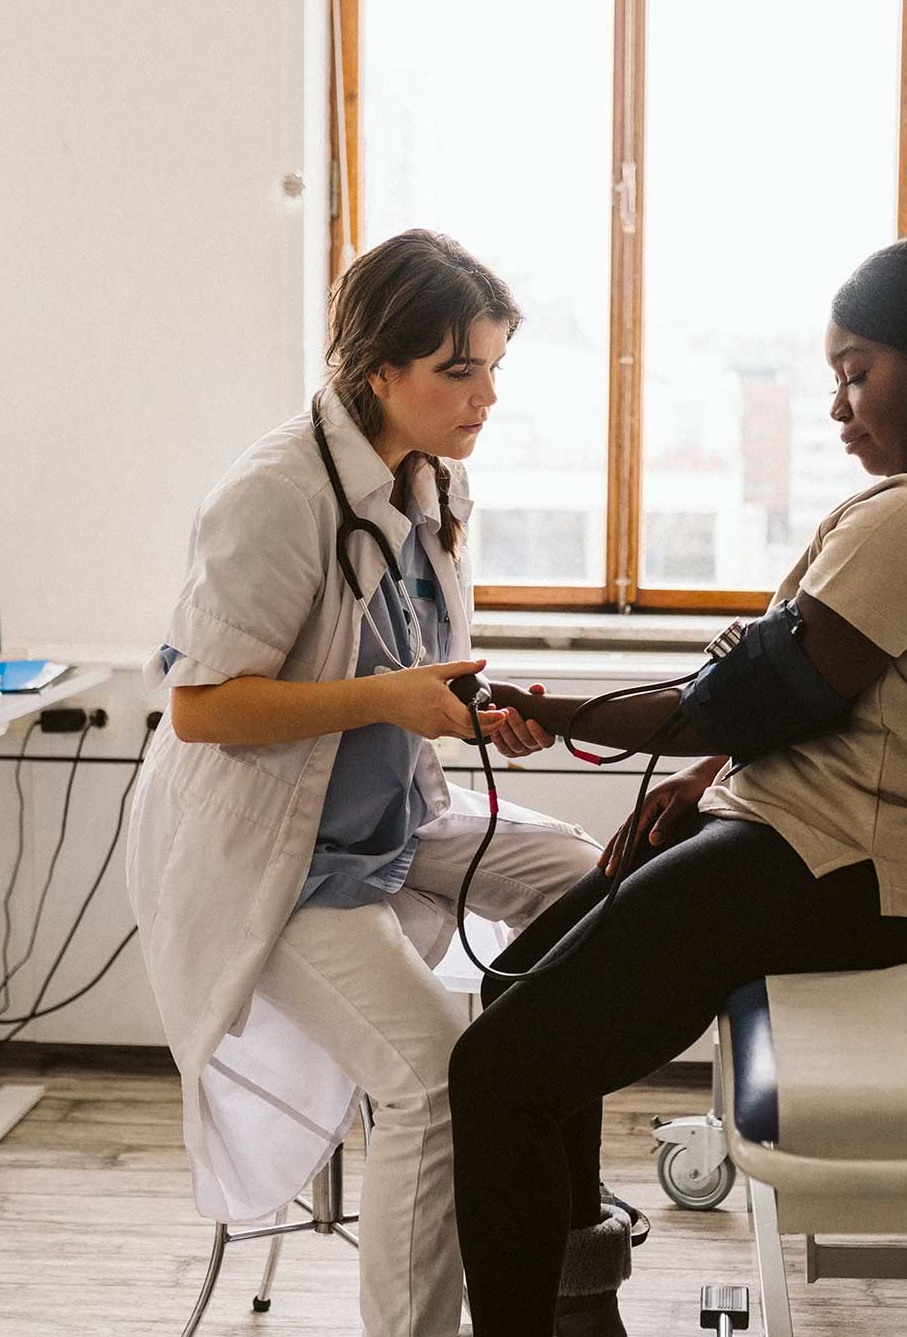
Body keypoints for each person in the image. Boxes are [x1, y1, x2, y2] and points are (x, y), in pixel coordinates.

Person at [448, 235, 907, 1336]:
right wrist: (708, 776)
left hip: (848, 865)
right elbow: (814, 703)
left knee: (499, 1073)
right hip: (847, 849)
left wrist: (553, 713)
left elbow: (753, 697)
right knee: (516, 1008)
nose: (839, 404)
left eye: (855, 370)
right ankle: (578, 1311)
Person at [124, 229, 610, 1337]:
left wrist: (464, 708)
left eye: (494, 368)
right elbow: (202, 710)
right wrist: (392, 700)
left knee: (587, 878)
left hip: (391, 811)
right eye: (458, 371)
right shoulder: (275, 494)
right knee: (432, 1083)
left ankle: (545, 1175)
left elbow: (407, 657)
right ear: (377, 369)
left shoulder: (430, 481)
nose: (486, 397)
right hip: (273, 856)